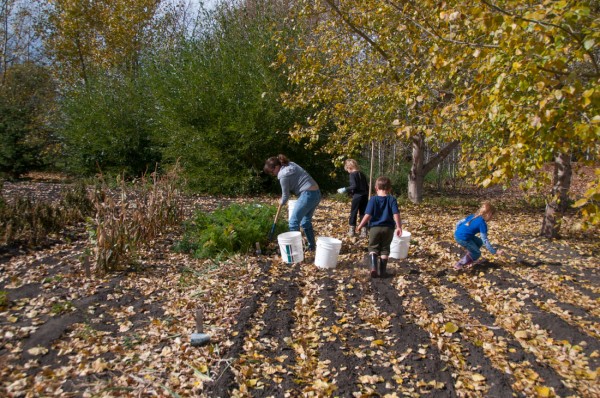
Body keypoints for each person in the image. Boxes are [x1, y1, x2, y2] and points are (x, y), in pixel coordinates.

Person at [264, 154, 321, 252]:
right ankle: (312, 247)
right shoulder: (290, 164)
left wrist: (281, 201)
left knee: (293, 222)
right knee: (305, 222)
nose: (273, 174)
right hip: (316, 193)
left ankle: (296, 250)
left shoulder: (282, 175)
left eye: (272, 171)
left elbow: (285, 196)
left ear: (277, 167)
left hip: (307, 194)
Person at [356, 176, 402, 277]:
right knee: (385, 248)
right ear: (390, 189)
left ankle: (373, 268)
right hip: (388, 228)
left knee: (373, 247)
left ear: (376, 188)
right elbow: (396, 214)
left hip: (374, 228)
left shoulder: (373, 199)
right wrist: (399, 227)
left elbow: (367, 215)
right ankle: (382, 271)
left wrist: (360, 225)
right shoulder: (392, 199)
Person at [453, 201, 503, 270]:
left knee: (479, 242)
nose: (492, 218)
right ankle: (459, 263)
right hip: (463, 238)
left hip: (458, 234)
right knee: (477, 253)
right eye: (492, 216)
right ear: (489, 214)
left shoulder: (473, 216)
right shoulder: (482, 224)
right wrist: (494, 251)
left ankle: (470, 258)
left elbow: (458, 223)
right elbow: (485, 240)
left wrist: (457, 231)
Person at [337, 159, 369, 238]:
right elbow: (367, 186)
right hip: (365, 195)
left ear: (349, 167)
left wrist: (345, 189)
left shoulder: (352, 175)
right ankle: (364, 231)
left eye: (347, 169)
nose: (347, 171)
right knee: (363, 213)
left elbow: (354, 186)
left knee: (353, 212)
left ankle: (352, 230)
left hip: (357, 196)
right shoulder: (362, 174)